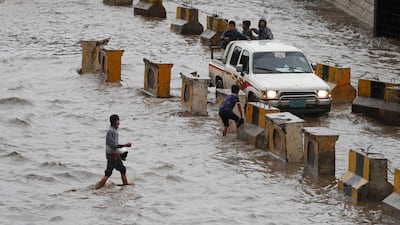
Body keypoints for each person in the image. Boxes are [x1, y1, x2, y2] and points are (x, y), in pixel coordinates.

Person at [95, 114, 132, 189]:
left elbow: (114, 146)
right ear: (114, 122)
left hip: (115, 154)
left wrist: (121, 153)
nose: (119, 122)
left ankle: (125, 185)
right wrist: (125, 145)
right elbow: (113, 145)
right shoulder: (111, 131)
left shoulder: (114, 130)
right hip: (112, 155)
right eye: (118, 120)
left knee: (122, 169)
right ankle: (97, 187)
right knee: (108, 173)